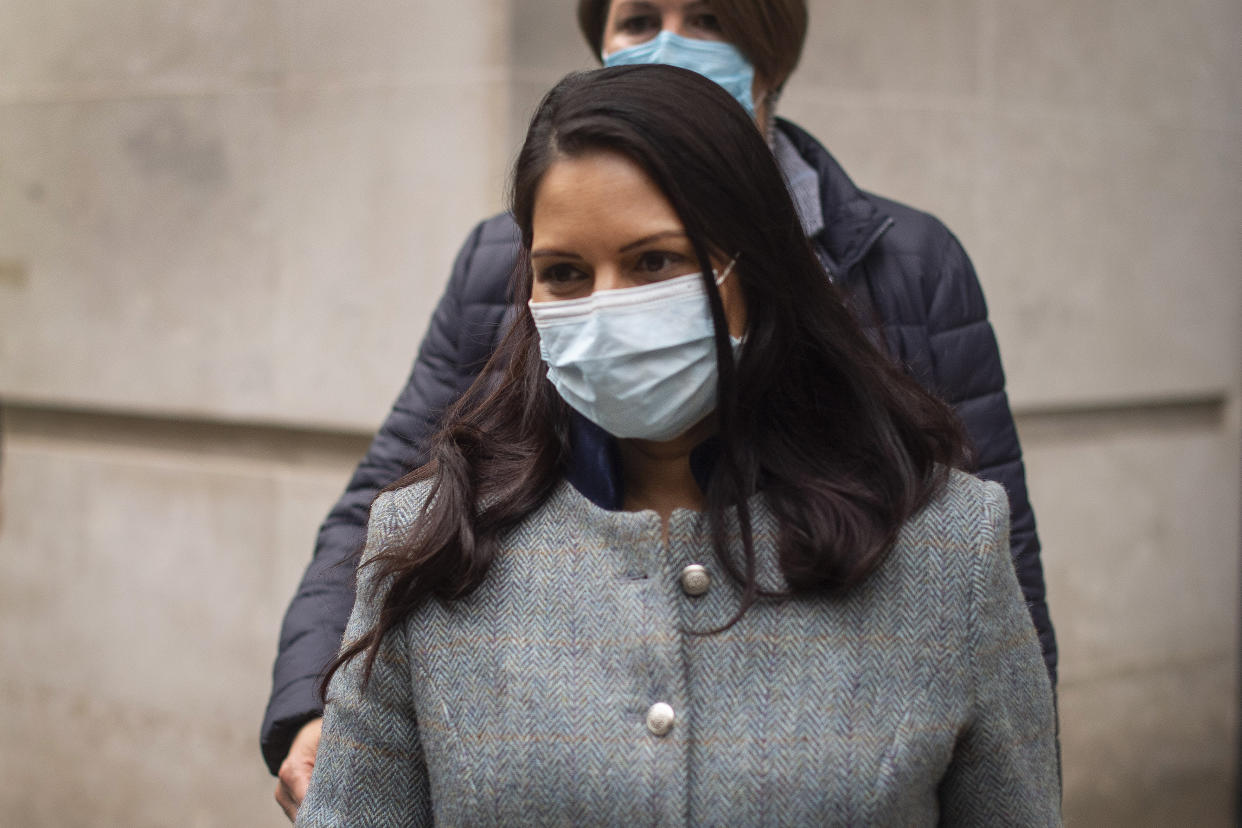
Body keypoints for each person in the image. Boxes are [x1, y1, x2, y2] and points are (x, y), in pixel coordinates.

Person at [267, 0, 1057, 817]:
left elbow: (993, 595)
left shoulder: (909, 290)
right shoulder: (450, 532)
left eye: (657, 262)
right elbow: (399, 493)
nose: (609, 308)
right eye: (566, 274)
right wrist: (317, 696)